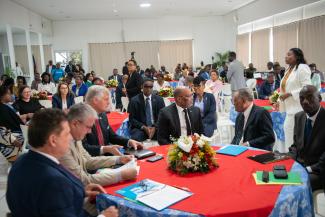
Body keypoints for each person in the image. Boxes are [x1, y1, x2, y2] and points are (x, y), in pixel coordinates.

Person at [6, 108, 118, 217]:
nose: (70, 138)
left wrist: (80, 192)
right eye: (67, 133)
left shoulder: (21, 161)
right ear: (53, 140)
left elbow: (46, 201)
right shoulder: (54, 181)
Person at [60, 103, 137, 187]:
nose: (89, 132)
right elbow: (84, 180)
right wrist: (120, 175)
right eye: (88, 127)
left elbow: (87, 161)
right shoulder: (63, 146)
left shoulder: (75, 137)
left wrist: (119, 159)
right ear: (75, 123)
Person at [84, 85, 143, 156]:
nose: (109, 103)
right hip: (91, 160)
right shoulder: (81, 117)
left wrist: (129, 141)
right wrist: (104, 149)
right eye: (106, 99)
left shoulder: (102, 115)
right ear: (95, 100)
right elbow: (83, 147)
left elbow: (112, 136)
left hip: (107, 157)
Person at [289, 85, 325, 191]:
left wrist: (308, 169)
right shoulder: (299, 117)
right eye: (301, 98)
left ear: (319, 98)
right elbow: (295, 145)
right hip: (300, 166)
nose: (305, 101)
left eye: (309, 97)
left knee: (293, 186)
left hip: (319, 170)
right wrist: (288, 160)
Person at [279, 48, 311, 152]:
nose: (286, 57)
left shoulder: (302, 67)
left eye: (289, 55)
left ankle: (292, 157)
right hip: (290, 108)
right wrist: (279, 99)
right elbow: (285, 87)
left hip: (298, 108)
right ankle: (291, 155)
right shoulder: (289, 69)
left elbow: (307, 86)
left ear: (297, 57)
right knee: (289, 132)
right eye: (286, 55)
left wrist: (290, 94)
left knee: (290, 132)